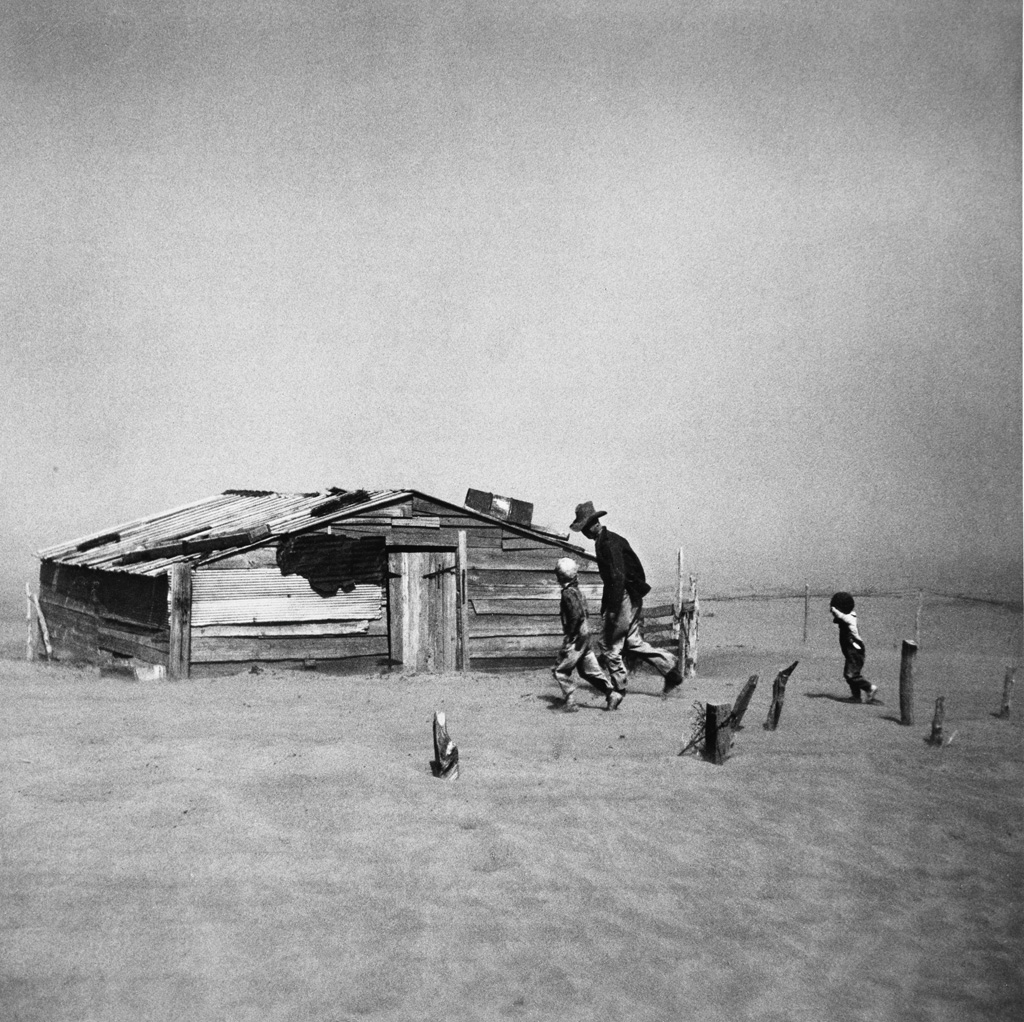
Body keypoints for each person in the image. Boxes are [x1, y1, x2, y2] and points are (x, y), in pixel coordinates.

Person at [569, 501, 683, 700]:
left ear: (594, 524)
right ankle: (671, 671)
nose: (584, 533)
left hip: (624, 596)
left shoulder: (609, 543)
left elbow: (618, 577)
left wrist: (613, 610)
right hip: (628, 596)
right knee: (633, 642)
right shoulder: (605, 541)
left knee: (608, 644)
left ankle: (618, 690)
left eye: (585, 527)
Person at [551, 557, 621, 711]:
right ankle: (612, 694)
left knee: (560, 670)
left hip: (577, 637)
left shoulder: (567, 593)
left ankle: (570, 701)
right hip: (585, 635)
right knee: (589, 670)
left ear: (559, 576)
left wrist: (571, 635)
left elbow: (576, 615)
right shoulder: (578, 592)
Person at [829, 591, 877, 703]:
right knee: (852, 675)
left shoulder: (850, 618)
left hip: (855, 651)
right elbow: (838, 618)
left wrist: (833, 608)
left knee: (850, 675)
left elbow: (840, 616)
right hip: (851, 652)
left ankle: (870, 688)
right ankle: (856, 697)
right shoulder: (845, 617)